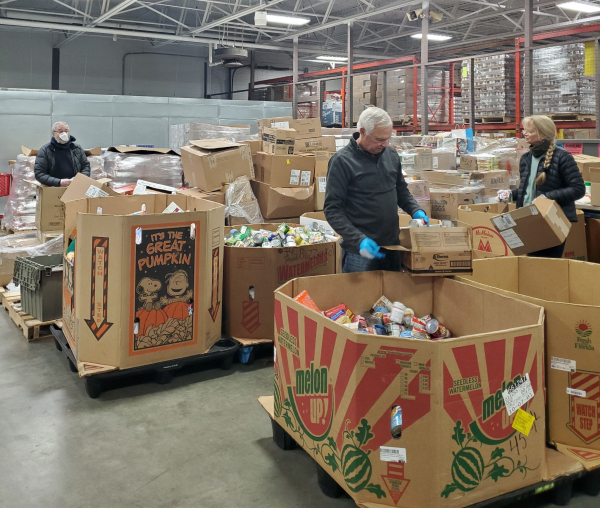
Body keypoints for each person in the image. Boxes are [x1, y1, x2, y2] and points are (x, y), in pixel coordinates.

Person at [324, 107, 429, 273]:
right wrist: (358, 240)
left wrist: (416, 210)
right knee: (361, 298)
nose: (385, 144)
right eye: (380, 139)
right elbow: (333, 209)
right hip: (360, 252)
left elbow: (401, 191)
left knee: (392, 298)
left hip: (392, 246)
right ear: (363, 132)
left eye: (388, 139)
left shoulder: (391, 155)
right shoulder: (342, 162)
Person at [513, 115, 585, 258]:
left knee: (547, 266)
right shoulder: (526, 158)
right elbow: (528, 190)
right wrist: (510, 195)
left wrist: (547, 197)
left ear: (543, 134)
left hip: (552, 221)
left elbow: (578, 189)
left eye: (530, 131)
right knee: (532, 265)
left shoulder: (562, 157)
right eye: (525, 130)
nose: (525, 133)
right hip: (529, 219)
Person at [34, 121, 90, 187]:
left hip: (75, 187)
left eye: (66, 131)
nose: (64, 134)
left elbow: (86, 166)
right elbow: (39, 173)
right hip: (53, 189)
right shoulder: (45, 150)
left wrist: (78, 179)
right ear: (53, 134)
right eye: (60, 131)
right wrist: (59, 182)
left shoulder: (76, 148)